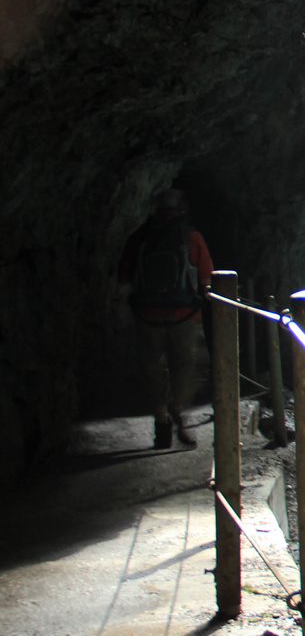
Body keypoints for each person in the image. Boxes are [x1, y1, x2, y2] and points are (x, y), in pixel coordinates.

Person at [118, 189, 213, 449]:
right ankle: (179, 412)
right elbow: (207, 276)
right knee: (185, 366)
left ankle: (161, 421)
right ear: (182, 209)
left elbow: (124, 276)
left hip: (148, 315)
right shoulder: (191, 237)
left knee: (151, 367)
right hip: (184, 315)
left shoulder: (139, 237)